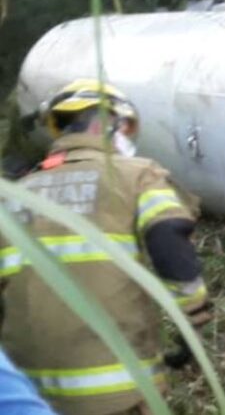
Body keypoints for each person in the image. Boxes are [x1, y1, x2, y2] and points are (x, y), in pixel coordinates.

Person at [0, 79, 210, 415]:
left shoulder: (15, 194)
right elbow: (169, 239)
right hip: (118, 392)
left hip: (27, 391)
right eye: (125, 127)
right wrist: (194, 320)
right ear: (107, 122)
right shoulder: (138, 176)